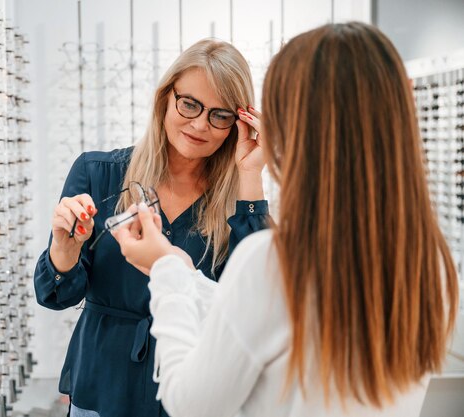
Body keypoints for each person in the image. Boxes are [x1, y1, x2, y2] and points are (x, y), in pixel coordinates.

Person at [113, 22, 460, 417]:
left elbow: (191, 404)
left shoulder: (272, 264)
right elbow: (264, 315)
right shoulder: (431, 265)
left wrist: (167, 274)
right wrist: (184, 272)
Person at [33, 38, 270, 417]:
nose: (199, 124)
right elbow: (53, 295)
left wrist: (251, 172)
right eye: (189, 103)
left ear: (237, 124)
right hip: (103, 386)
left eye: (219, 114)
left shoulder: (237, 205)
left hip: (189, 391)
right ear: (165, 97)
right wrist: (64, 248)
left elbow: (258, 299)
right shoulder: (99, 174)